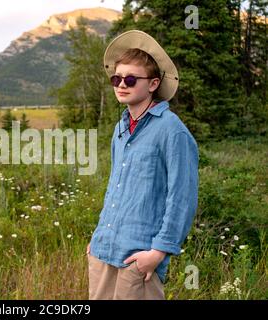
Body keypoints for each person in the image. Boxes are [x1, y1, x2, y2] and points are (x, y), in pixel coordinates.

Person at [87, 30, 199, 300]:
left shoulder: (172, 131)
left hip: (139, 257)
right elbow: (116, 186)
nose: (121, 84)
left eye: (130, 79)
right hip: (103, 250)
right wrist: (97, 236)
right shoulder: (120, 127)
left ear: (153, 84)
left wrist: (158, 252)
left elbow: (182, 197)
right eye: (117, 78)